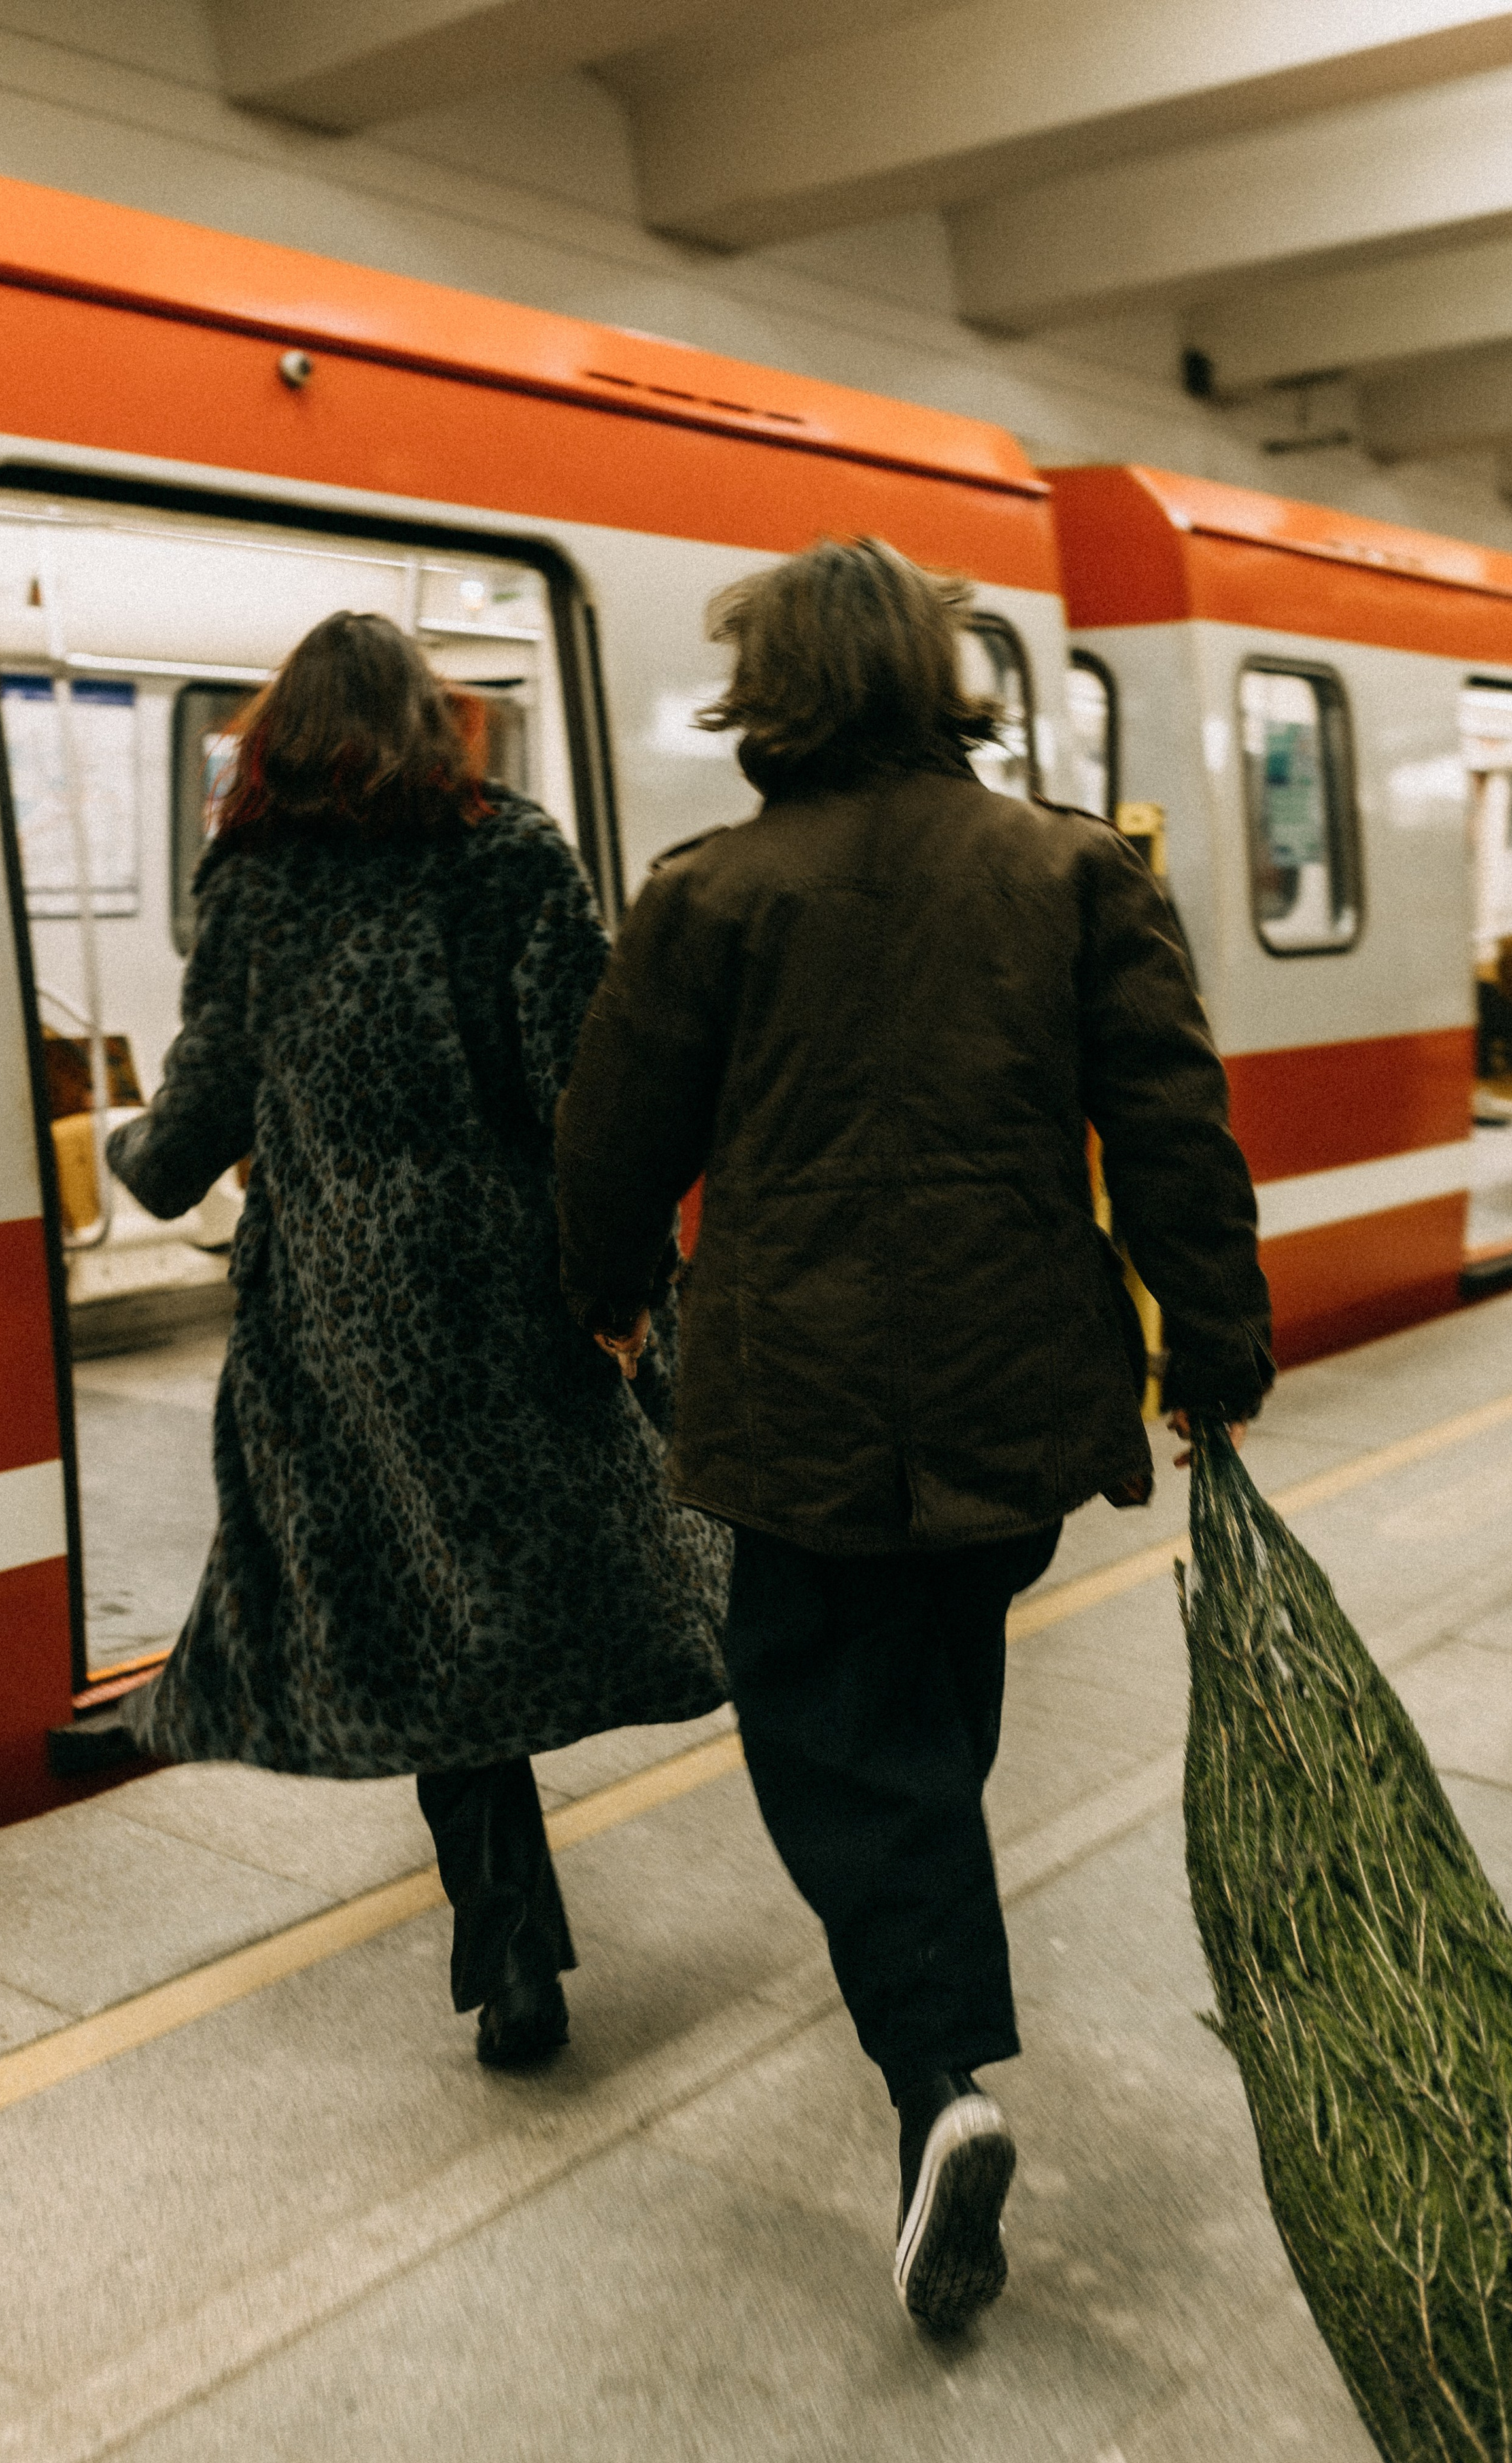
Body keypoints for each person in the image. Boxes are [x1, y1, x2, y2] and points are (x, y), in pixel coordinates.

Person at [553, 538, 1273, 2332]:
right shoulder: (1072, 872)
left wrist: (606, 1294)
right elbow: (1175, 1120)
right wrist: (1217, 1347)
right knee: (932, 1703)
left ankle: (938, 2079)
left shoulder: (708, 895)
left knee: (821, 1726)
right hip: (1018, 1386)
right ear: (942, 679)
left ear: (771, 688)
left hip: (798, 1391)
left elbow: (610, 1139)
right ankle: (930, 2065)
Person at [107, 612, 729, 2067]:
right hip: (503, 1297)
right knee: (596, 1557)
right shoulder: (511, 856)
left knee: (433, 1614)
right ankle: (800, 1763)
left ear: (274, 743)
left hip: (341, 1326)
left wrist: (122, 1156)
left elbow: (194, 1120)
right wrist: (623, 1286)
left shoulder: (257, 883)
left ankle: (512, 1960)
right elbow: (587, 1095)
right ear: (428, 724)